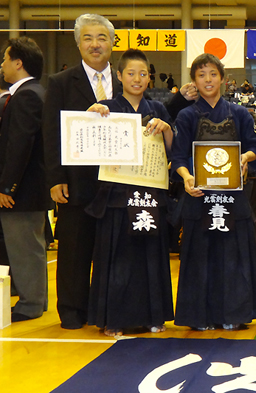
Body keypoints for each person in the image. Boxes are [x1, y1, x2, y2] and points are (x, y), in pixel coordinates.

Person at [172, 53, 256, 331]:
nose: (208, 80)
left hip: (232, 198)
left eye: (213, 74)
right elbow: (178, 157)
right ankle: (199, 316)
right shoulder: (187, 115)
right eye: (201, 75)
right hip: (199, 199)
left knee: (232, 257)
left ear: (223, 79)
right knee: (200, 256)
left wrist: (244, 158)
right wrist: (187, 177)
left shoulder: (239, 113)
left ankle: (233, 314)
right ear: (194, 81)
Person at [85, 49, 174, 337]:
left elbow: (173, 148)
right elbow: (86, 143)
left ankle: (154, 316)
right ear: (119, 76)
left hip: (149, 196)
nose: (137, 79)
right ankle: (114, 319)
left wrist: (166, 129)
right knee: (118, 258)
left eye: (143, 74)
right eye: (131, 73)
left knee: (150, 255)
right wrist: (90, 116)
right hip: (117, 198)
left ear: (150, 78)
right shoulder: (106, 107)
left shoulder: (158, 109)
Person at [43, 14, 123, 330]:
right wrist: (56, 178)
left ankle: (104, 308)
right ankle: (72, 310)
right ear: (78, 43)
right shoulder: (61, 83)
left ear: (112, 43)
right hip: (76, 181)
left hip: (117, 180)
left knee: (111, 248)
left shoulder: (124, 82)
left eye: (102, 38)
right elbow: (50, 133)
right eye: (88, 38)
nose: (95, 44)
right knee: (75, 249)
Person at [0, 36, 50, 322]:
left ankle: (30, 304)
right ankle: (35, 301)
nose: (2, 66)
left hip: (23, 190)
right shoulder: (35, 92)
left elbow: (19, 146)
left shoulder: (27, 95)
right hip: (30, 188)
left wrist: (7, 186)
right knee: (31, 246)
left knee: (25, 247)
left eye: (5, 60)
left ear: (18, 63)